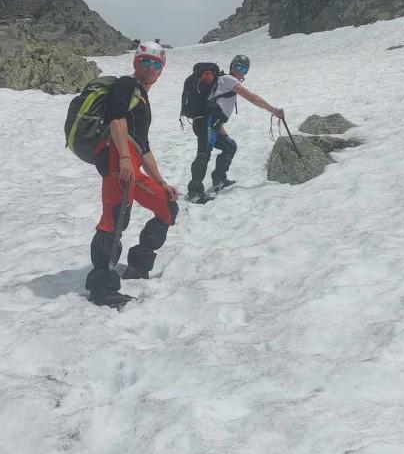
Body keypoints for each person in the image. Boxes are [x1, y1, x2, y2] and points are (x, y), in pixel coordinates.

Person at [85, 41, 179, 308]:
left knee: (166, 206)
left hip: (132, 161)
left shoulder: (141, 98)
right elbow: (116, 118)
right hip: (118, 157)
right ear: (136, 63)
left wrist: (161, 182)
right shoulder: (126, 85)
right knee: (114, 218)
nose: (151, 68)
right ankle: (102, 288)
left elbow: (144, 147)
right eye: (146, 62)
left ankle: (138, 264)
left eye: (157, 64)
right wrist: (125, 156)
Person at [187, 53, 284, 204]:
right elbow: (252, 97)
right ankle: (195, 192)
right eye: (239, 67)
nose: (241, 71)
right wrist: (273, 110)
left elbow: (216, 107)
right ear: (232, 66)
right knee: (204, 154)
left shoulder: (223, 81)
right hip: (207, 122)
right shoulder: (228, 79)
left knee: (230, 146)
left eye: (245, 69)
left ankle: (219, 179)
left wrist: (221, 131)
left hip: (211, 123)